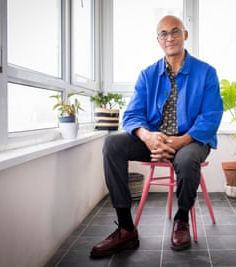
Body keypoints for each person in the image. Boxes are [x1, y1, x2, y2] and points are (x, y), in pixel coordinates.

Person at [90, 15, 223, 257]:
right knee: (112, 144)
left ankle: (181, 218)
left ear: (185, 35)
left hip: (190, 140)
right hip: (154, 140)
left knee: (185, 160)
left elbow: (211, 115)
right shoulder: (147, 75)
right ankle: (126, 229)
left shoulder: (206, 73)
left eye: (175, 31)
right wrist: (148, 136)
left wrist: (179, 141)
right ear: (158, 40)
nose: (170, 37)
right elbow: (132, 115)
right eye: (164, 33)